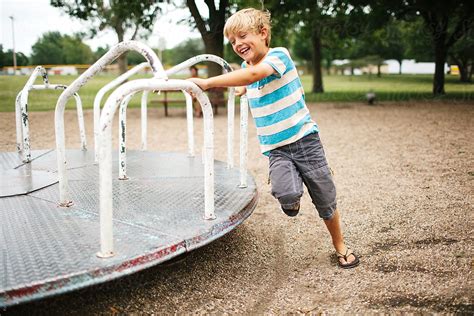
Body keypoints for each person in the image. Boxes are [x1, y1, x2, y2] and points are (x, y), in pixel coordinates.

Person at [187, 8, 359, 269]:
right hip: (277, 149)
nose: (238, 44)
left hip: (305, 142)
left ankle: (340, 245)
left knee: (325, 199)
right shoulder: (247, 69)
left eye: (243, 36)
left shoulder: (279, 56)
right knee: (285, 193)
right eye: (232, 41)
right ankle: (292, 196)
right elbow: (248, 78)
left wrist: (208, 82)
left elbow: (256, 74)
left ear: (263, 33)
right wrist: (241, 87)